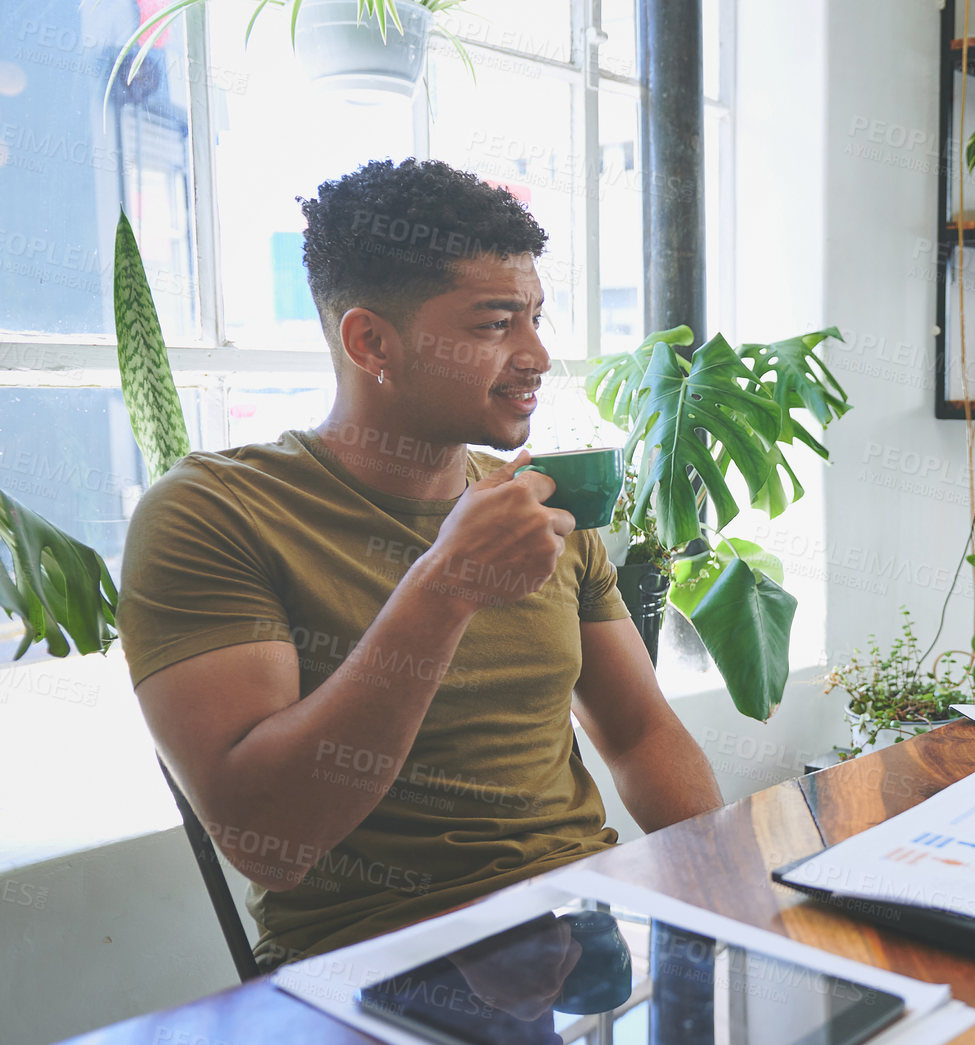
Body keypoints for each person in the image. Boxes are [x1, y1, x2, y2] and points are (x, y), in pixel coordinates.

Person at [118, 159, 722, 969]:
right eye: (494, 324)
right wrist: (447, 585)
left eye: (537, 317)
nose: (538, 354)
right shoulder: (214, 513)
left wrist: (726, 886)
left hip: (586, 933)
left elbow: (641, 732)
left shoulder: (541, 499)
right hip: (374, 970)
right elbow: (272, 844)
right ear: (372, 341)